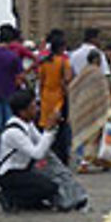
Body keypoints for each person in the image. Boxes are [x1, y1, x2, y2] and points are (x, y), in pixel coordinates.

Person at [0, 87, 61, 210]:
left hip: (24, 169)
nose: (37, 110)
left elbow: (41, 142)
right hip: (10, 174)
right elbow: (37, 153)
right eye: (33, 107)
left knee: (52, 182)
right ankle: (9, 196)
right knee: (48, 187)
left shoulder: (27, 124)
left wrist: (51, 129)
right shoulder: (14, 132)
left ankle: (26, 202)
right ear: (22, 112)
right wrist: (48, 130)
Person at [68, 48, 111, 169]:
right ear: (96, 60)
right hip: (96, 110)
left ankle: (92, 161)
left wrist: (79, 102)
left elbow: (72, 87)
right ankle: (88, 161)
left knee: (88, 136)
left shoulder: (84, 72)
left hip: (84, 108)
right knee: (94, 138)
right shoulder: (98, 73)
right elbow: (104, 92)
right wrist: (109, 109)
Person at [37, 30, 73, 163]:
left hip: (46, 96)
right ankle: (61, 155)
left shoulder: (44, 62)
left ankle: (45, 153)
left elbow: (40, 80)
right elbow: (68, 79)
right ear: (61, 48)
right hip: (59, 97)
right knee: (60, 127)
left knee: (46, 126)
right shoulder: (64, 62)